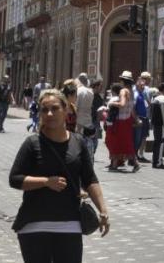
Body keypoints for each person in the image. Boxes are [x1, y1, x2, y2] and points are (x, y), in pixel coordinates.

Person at [9, 89, 110, 262]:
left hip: (69, 225)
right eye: (44, 110)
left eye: (55, 108)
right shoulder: (32, 144)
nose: (49, 113)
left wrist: (103, 209)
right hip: (34, 226)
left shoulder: (78, 142)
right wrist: (46, 182)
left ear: (67, 110)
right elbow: (15, 179)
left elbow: (89, 179)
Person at [103, 72, 139, 171]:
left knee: (115, 142)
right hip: (127, 120)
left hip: (120, 121)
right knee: (126, 143)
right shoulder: (131, 92)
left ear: (123, 81)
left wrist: (112, 103)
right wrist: (136, 120)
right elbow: (132, 109)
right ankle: (132, 163)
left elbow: (122, 104)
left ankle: (115, 164)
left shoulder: (123, 91)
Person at [149, 82, 164, 169]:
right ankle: (158, 162)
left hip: (155, 124)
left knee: (156, 142)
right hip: (161, 125)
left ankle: (155, 161)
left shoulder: (155, 98)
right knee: (161, 143)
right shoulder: (163, 99)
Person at [74, 74, 96, 155]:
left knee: (78, 142)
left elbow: (76, 106)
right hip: (88, 119)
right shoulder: (90, 91)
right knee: (87, 140)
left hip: (78, 120)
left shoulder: (77, 90)